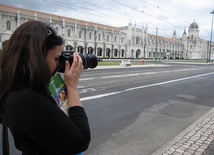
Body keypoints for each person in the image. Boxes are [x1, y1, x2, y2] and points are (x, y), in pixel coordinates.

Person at [0, 21, 90, 154]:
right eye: (56, 59)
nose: (58, 65)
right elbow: (81, 141)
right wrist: (71, 87)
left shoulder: (15, 87)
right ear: (37, 58)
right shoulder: (27, 99)